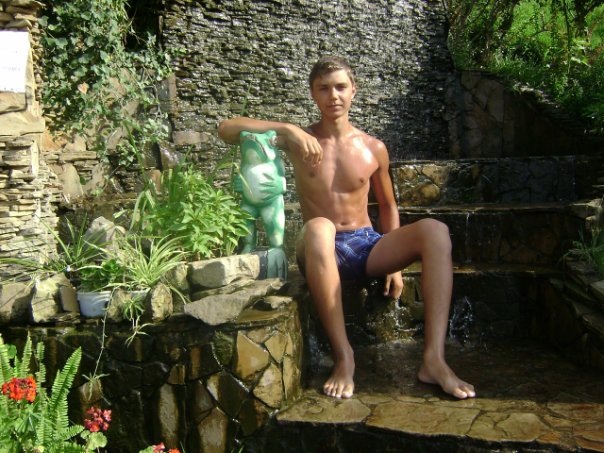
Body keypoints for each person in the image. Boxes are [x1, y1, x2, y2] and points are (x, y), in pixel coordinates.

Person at [218, 56, 476, 400]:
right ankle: (344, 357)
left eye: (340, 87)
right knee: (319, 227)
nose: (333, 95)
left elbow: (388, 205)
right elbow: (227, 129)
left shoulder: (373, 148)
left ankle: (434, 360)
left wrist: (395, 268)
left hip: (367, 244)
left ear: (354, 90)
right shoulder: (299, 140)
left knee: (436, 231)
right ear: (313, 94)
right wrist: (288, 128)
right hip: (319, 246)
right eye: (323, 88)